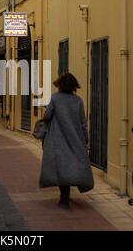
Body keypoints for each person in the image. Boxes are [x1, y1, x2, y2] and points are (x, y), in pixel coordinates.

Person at [39, 73, 94, 209]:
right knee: (70, 164)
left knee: (61, 166)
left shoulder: (55, 99)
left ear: (60, 85)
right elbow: (83, 123)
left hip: (57, 138)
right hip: (75, 138)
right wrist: (85, 139)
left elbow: (47, 116)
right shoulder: (78, 101)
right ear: (74, 86)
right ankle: (66, 194)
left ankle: (64, 198)